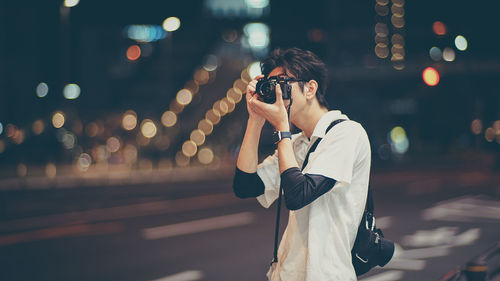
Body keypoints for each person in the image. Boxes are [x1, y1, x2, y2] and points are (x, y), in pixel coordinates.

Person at [232, 47, 372, 281]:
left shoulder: (347, 133)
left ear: (310, 88)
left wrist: (281, 130)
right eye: (271, 85)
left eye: (282, 83)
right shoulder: (295, 143)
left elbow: (299, 194)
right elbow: (245, 185)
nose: (277, 92)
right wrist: (255, 119)